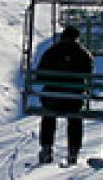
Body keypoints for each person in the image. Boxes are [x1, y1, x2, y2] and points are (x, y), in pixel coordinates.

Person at [35, 25, 94, 164]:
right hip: (74, 99)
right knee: (75, 118)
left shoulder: (51, 52)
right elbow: (88, 75)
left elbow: (40, 74)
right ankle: (73, 150)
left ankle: (46, 148)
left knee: (48, 117)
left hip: (52, 98)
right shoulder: (83, 54)